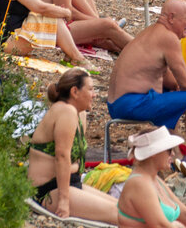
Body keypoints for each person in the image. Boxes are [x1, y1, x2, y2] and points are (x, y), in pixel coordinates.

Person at [107, 0, 186, 175]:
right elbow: (185, 82)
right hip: (131, 103)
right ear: (171, 18)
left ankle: (175, 153)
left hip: (119, 102)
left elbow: (171, 82)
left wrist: (179, 91)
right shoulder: (168, 38)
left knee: (172, 93)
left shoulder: (152, 33)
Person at [26, 69, 118, 222]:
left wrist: (74, 168)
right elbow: (62, 156)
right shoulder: (66, 111)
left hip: (68, 183)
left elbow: (72, 161)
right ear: (75, 91)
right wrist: (64, 201)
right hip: (50, 190)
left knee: (124, 208)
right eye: (90, 89)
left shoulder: (77, 112)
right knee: (125, 217)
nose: (95, 95)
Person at [117, 128, 186, 226]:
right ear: (154, 153)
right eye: (169, 150)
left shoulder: (154, 179)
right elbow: (160, 225)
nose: (173, 153)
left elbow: (184, 213)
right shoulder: (139, 184)